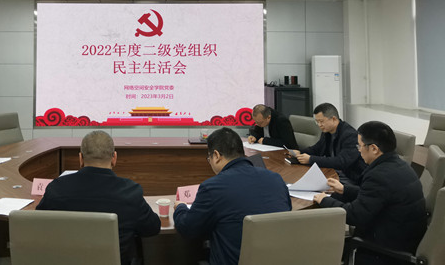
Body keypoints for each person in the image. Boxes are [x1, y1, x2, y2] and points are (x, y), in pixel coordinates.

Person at [36, 130, 160, 265]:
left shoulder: (56, 189)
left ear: (80, 158)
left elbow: (39, 225)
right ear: (114, 158)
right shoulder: (130, 192)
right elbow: (152, 228)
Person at [313, 121, 427, 265]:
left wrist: (324, 200)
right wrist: (344, 189)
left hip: (386, 251)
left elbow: (354, 216)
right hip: (404, 236)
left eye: (360, 146)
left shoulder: (378, 175)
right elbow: (378, 195)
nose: (359, 151)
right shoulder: (400, 165)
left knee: (323, 248)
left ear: (374, 148)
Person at [173, 127, 291, 265]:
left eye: (209, 158)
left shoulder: (212, 187)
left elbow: (188, 229)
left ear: (216, 155)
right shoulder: (276, 179)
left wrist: (180, 207)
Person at [291, 102, 366, 183]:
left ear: (333, 119)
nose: (319, 125)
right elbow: (317, 149)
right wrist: (299, 152)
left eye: (321, 121)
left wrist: (311, 159)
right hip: (333, 172)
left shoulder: (350, 135)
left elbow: (341, 162)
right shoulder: (327, 132)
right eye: (317, 122)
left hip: (349, 177)